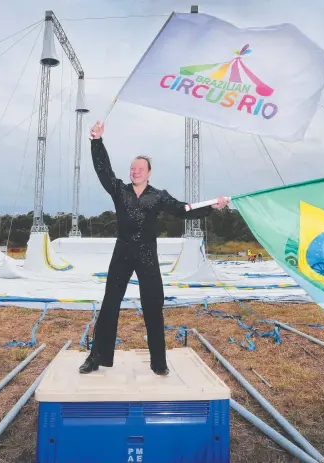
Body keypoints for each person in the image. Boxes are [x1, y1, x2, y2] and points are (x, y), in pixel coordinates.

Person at [79, 121, 230, 376]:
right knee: (109, 305)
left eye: (140, 168)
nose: (135, 171)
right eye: (132, 168)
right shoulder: (119, 190)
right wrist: (97, 141)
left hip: (147, 254)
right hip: (122, 252)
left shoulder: (158, 196)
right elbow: (103, 169)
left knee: (153, 305)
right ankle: (96, 357)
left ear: (149, 173)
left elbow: (184, 210)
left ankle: (158, 362)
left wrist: (212, 206)